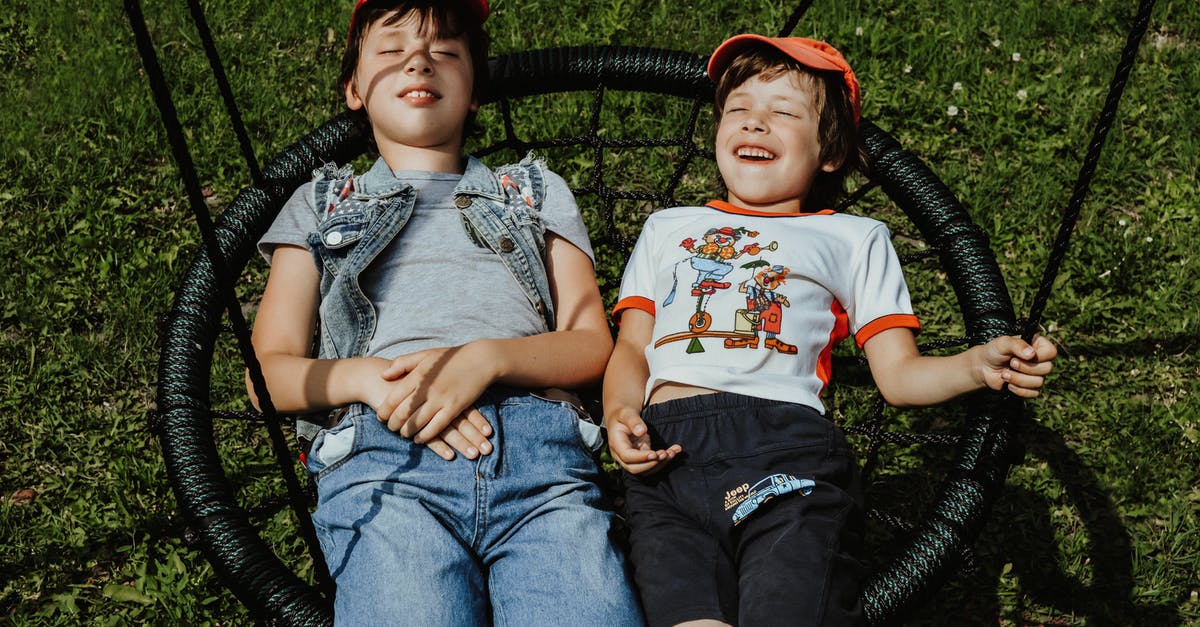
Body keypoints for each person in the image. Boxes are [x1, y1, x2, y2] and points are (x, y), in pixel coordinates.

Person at [603, 34, 1058, 627]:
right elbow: (633, 346)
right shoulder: (669, 227)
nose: (755, 122)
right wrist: (618, 415)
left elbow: (898, 376)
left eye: (784, 112)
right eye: (738, 108)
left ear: (830, 152)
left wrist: (976, 366)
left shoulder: (853, 237)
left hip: (781, 446)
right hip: (665, 462)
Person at [248, 1, 643, 624]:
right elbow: (264, 373)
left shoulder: (534, 192)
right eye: (391, 48)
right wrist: (369, 382)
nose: (419, 59)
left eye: (446, 51)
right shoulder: (321, 202)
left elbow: (593, 343)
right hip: (386, 464)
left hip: (540, 469)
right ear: (355, 88)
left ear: (474, 92)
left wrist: (485, 360)